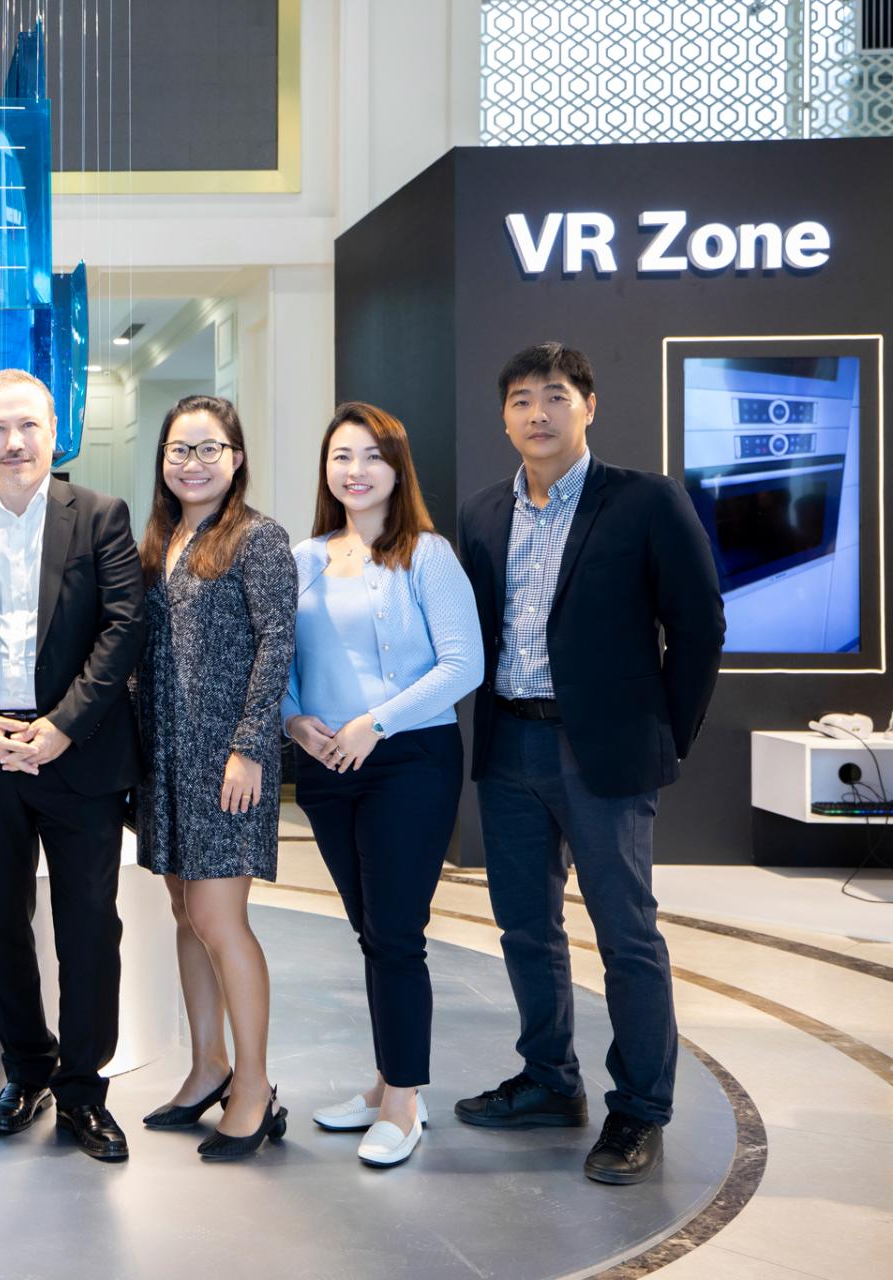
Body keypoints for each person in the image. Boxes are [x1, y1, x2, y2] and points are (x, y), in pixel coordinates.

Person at [453, 342, 723, 1185]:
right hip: (509, 743)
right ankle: (548, 1079)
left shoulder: (645, 500)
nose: (538, 413)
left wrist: (664, 733)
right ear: (504, 417)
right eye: (521, 400)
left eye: (555, 396)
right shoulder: (483, 513)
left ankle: (640, 1110)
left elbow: (700, 624)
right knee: (525, 927)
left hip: (603, 750)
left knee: (626, 935)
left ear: (589, 406)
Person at [0, 368, 145, 1163]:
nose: (15, 442)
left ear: (55, 433)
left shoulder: (102, 517)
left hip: (79, 758)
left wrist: (64, 727)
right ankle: (28, 1069)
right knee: (1, 927)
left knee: (89, 931)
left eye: (29, 426)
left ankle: (83, 1090)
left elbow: (123, 629)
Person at [282, 402, 483, 1169]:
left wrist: (378, 722)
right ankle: (386, 1082)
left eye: (372, 455)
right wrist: (295, 722)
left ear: (398, 469)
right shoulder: (301, 558)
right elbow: (278, 661)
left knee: (397, 934)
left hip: (410, 761)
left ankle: (403, 1101)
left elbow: (464, 665)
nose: (356, 470)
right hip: (325, 767)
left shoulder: (426, 554)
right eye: (342, 455)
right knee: (371, 931)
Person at [131, 395, 296, 1162]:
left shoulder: (259, 538)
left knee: (220, 919)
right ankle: (208, 1067)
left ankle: (254, 1089)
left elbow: (277, 643)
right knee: (184, 913)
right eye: (179, 449)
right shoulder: (160, 539)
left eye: (208, 449)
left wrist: (251, 747)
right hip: (164, 756)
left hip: (227, 759)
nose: (192, 463)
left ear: (236, 458)